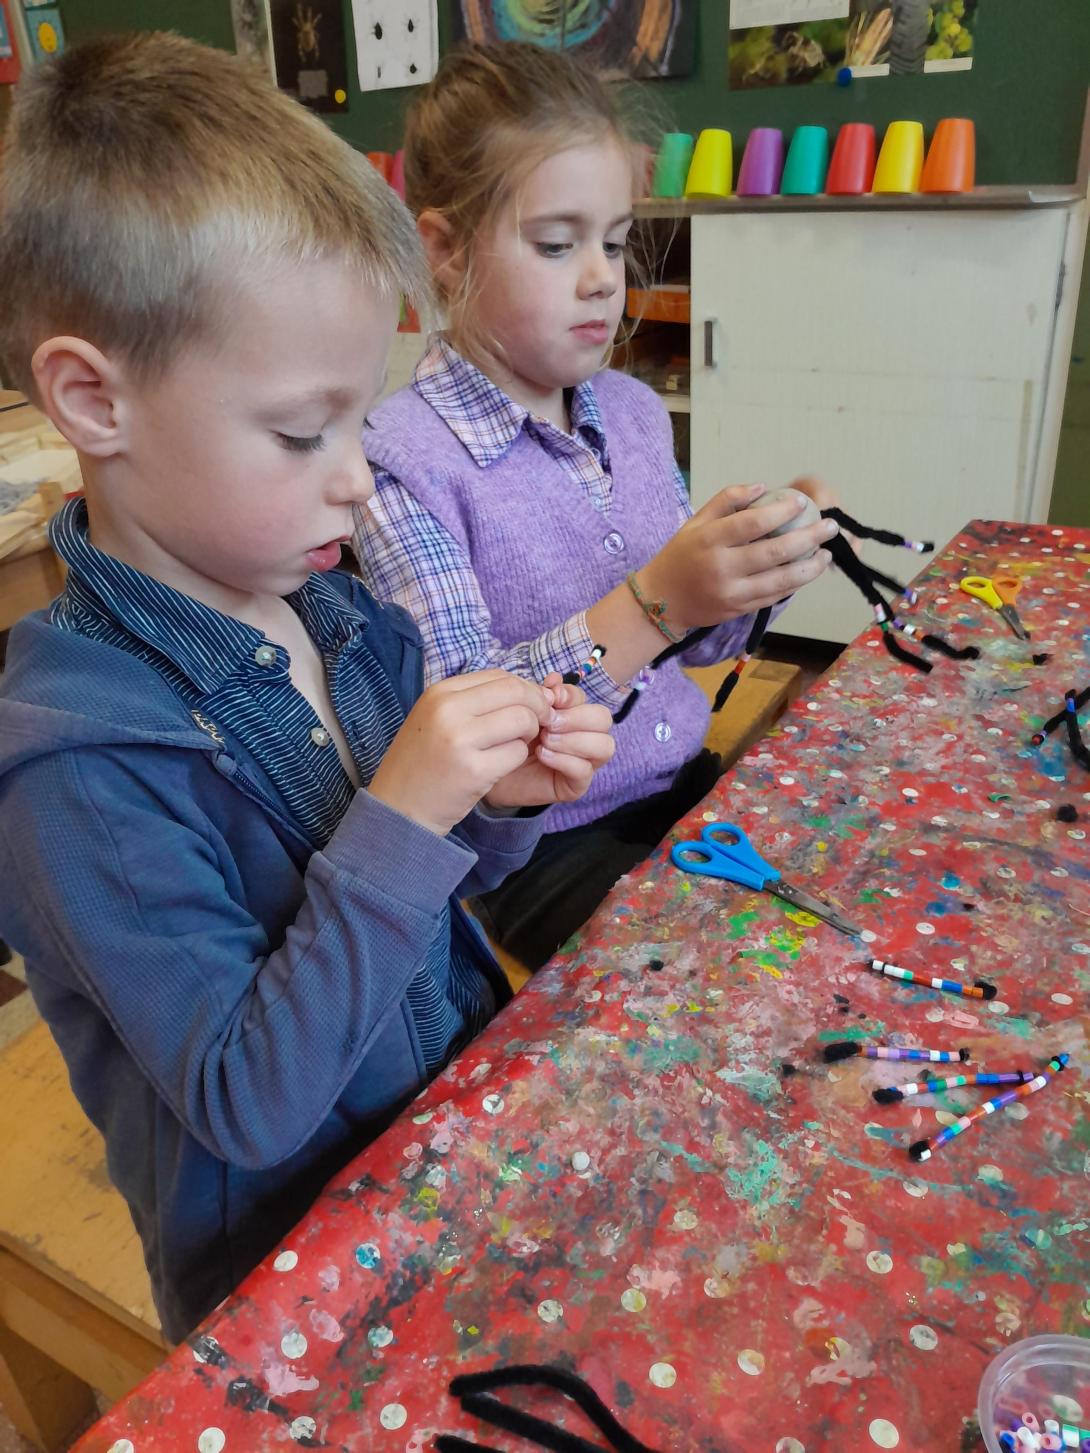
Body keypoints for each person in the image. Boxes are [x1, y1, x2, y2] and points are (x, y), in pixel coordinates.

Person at [0, 33, 614, 1340]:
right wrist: (401, 816)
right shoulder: (76, 766)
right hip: (301, 1290)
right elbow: (247, 1099)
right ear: (92, 400)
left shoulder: (337, 612)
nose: (357, 476)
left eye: (360, 419)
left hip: (455, 1149)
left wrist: (497, 804)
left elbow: (443, 907)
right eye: (300, 431)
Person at [357, 42, 838, 970]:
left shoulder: (633, 412)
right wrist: (658, 600)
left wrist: (757, 566)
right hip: (538, 851)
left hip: (680, 784)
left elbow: (699, 647)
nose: (602, 278)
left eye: (615, 242)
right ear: (444, 249)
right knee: (699, 980)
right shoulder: (402, 462)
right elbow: (472, 752)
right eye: (556, 244)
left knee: (821, 908)